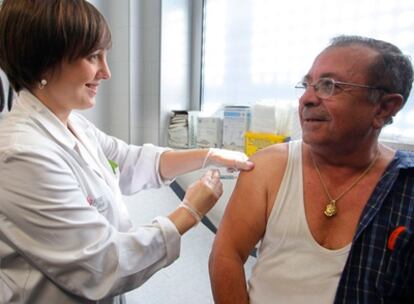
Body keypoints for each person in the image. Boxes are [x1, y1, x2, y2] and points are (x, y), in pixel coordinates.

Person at [0, 1, 254, 303]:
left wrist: (210, 155)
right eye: (94, 56)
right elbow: (100, 264)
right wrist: (190, 212)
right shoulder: (20, 154)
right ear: (45, 58)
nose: (106, 72)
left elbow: (131, 161)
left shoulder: (73, 124)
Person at [209, 35, 414, 303]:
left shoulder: (405, 186)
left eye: (329, 86)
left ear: (384, 107)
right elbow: (226, 255)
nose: (306, 99)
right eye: (308, 85)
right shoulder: (270, 168)